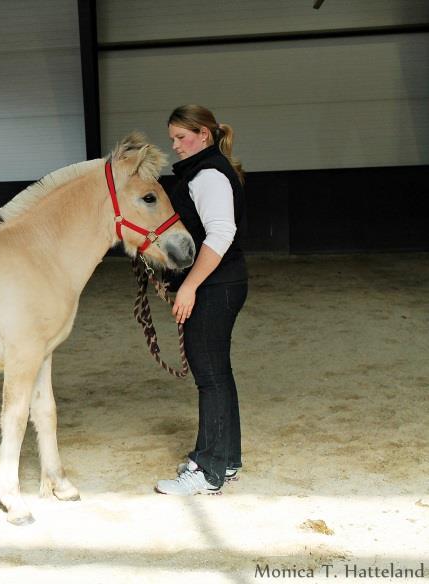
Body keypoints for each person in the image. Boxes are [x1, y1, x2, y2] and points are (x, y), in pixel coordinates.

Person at [154, 105, 249, 496]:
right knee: (218, 375)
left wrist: (189, 286)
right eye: (172, 137)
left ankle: (207, 471)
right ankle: (226, 461)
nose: (174, 145)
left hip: (215, 287)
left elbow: (221, 234)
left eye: (181, 137)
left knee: (209, 377)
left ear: (204, 135)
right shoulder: (206, 170)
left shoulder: (208, 174)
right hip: (220, 284)